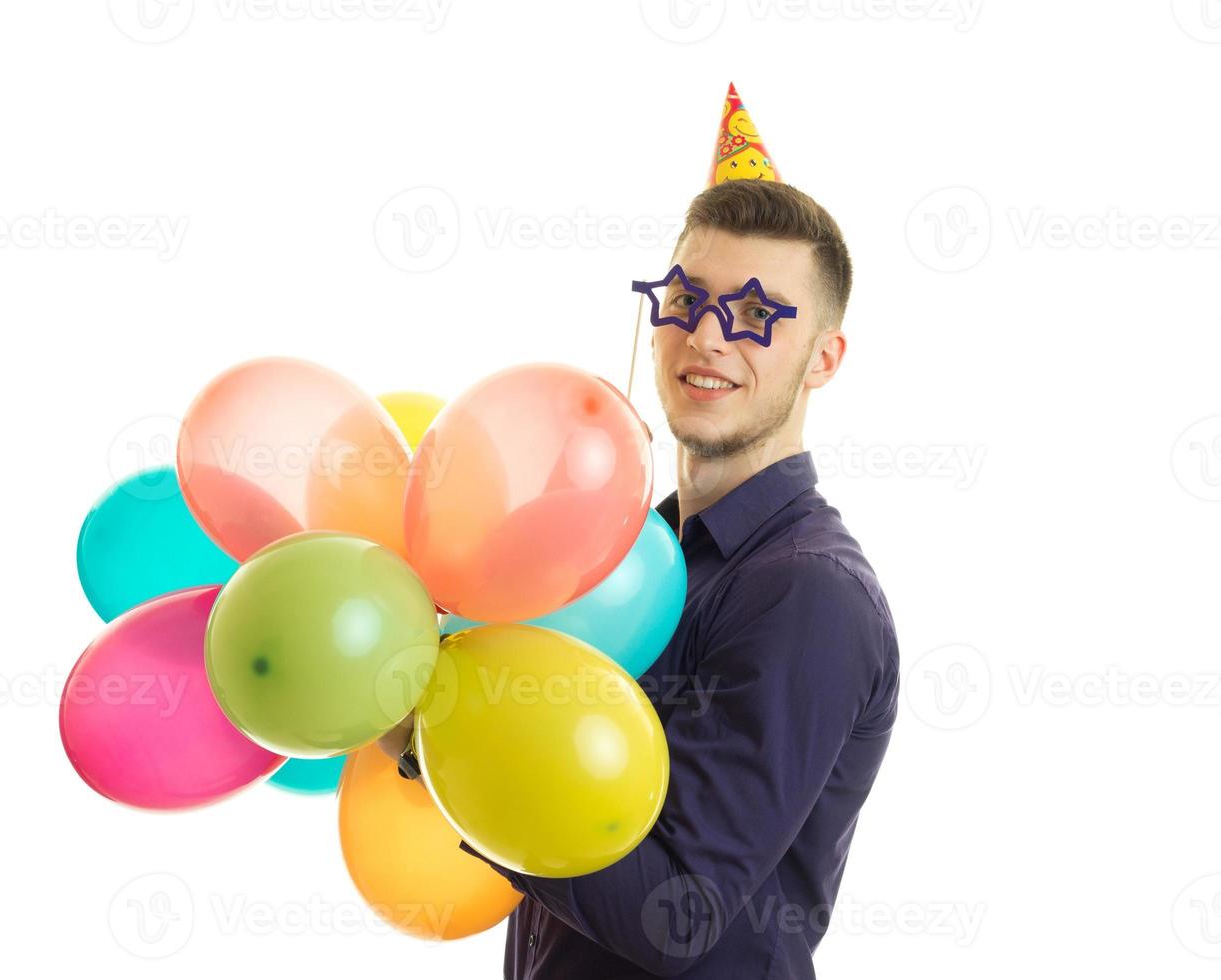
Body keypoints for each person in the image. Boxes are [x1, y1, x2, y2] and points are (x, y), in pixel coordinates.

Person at [380, 178, 900, 978]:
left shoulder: (809, 593)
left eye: (757, 315)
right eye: (685, 298)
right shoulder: (611, 561)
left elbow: (677, 915)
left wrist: (432, 738)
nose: (707, 336)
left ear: (824, 358)